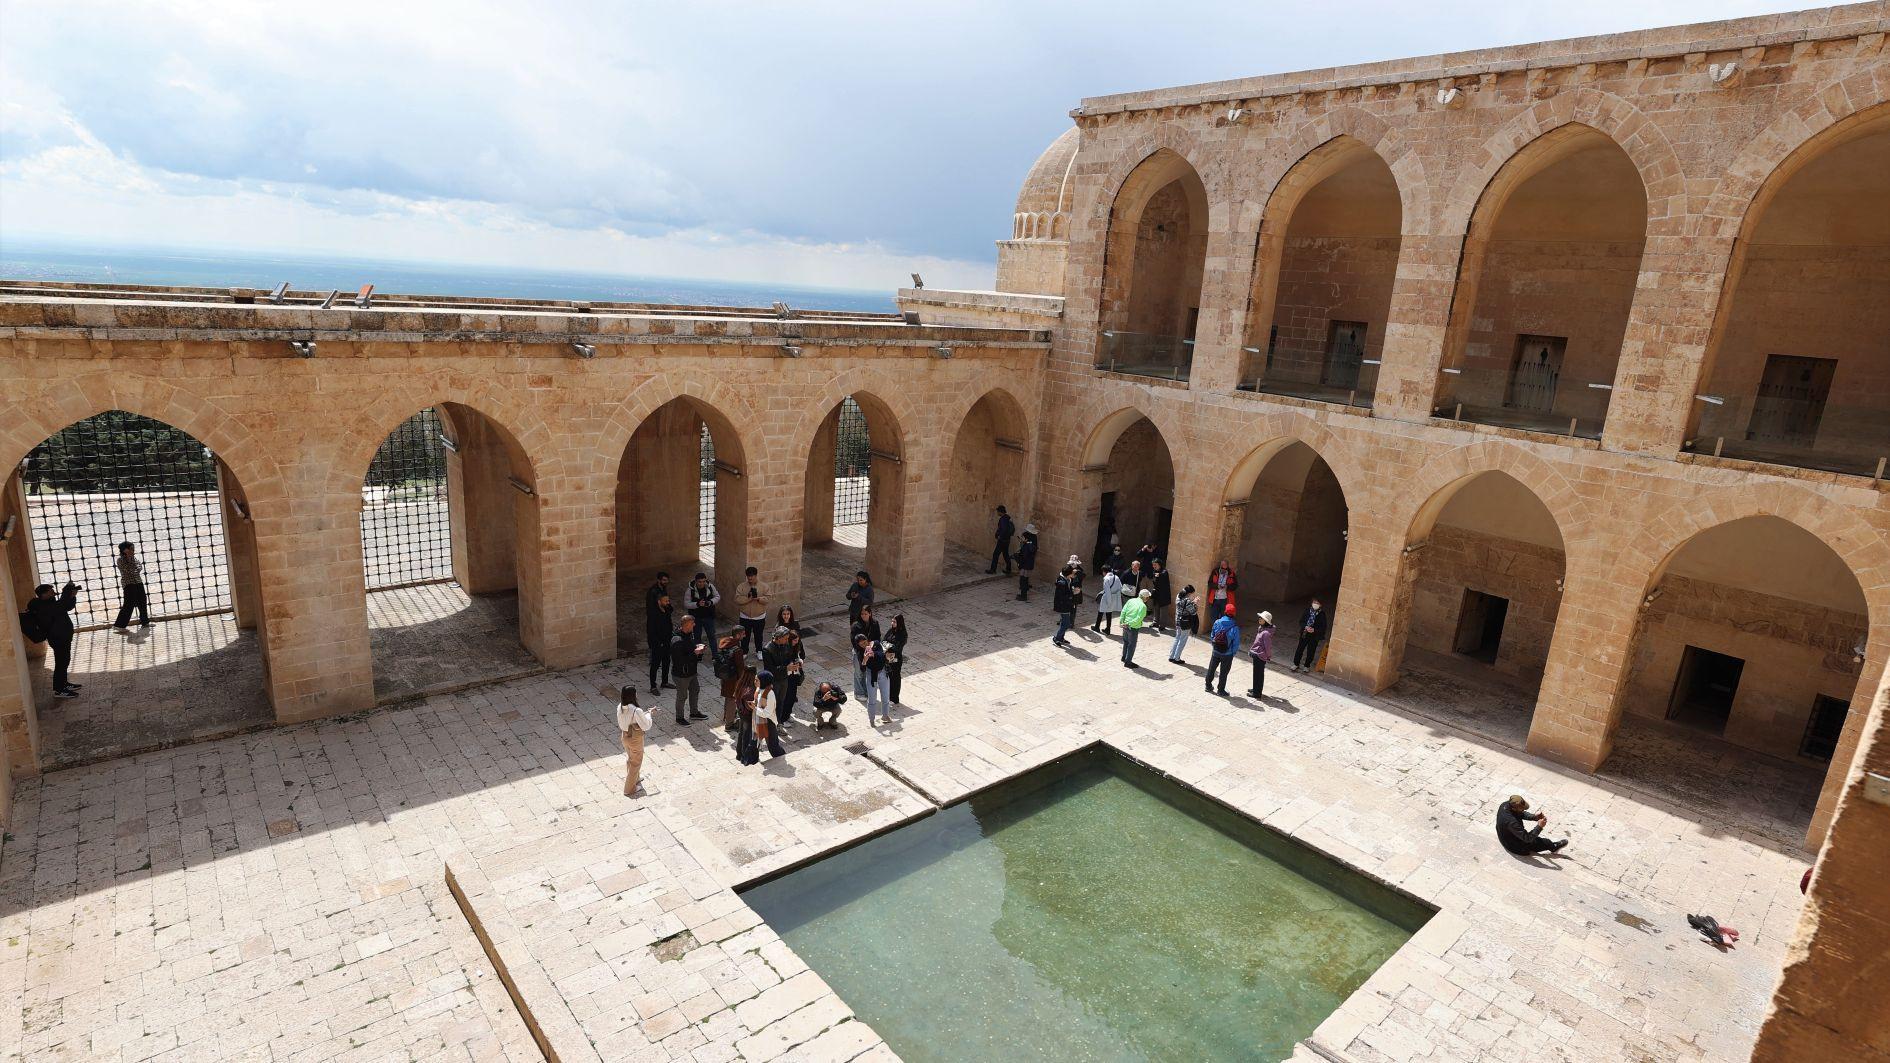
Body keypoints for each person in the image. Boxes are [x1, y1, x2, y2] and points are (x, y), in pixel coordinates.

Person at [27, 583, 82, 699]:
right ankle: (59, 690)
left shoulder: (50, 603)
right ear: (43, 594)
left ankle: (64, 684)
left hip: (63, 637)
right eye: (50, 590)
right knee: (61, 663)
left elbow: (67, 606)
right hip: (57, 638)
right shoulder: (42, 607)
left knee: (65, 660)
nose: (53, 592)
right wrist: (67, 593)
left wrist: (72, 596)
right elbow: (61, 606)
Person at [669, 615, 709, 724]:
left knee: (695, 690)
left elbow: (689, 647)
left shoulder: (689, 634)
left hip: (692, 671)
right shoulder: (677, 639)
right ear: (686, 625)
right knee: (682, 696)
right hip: (681, 674)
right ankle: (679, 717)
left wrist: (697, 647)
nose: (694, 625)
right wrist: (694, 652)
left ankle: (694, 713)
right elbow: (679, 659)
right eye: (692, 623)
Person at [1496, 795, 1567, 855]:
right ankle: (1553, 847)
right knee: (1542, 841)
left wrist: (1534, 817)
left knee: (1534, 839)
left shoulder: (1505, 805)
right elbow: (1527, 838)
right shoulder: (1511, 822)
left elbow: (1521, 813)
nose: (1523, 810)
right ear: (1514, 808)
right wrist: (1539, 826)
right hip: (1514, 846)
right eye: (1521, 809)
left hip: (1504, 836)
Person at [615, 686, 652, 796]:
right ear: (633, 695)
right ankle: (629, 789)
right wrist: (649, 714)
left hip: (624, 736)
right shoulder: (637, 710)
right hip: (634, 738)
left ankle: (635, 778)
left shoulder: (620, 707)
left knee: (631, 758)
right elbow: (646, 725)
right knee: (636, 762)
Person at [718, 633, 751, 733]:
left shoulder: (724, 643)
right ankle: (729, 725)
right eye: (743, 633)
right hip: (734, 679)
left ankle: (726, 717)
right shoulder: (737, 650)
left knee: (728, 698)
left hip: (725, 676)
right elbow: (740, 667)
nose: (744, 635)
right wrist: (743, 680)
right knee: (732, 700)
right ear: (738, 635)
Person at [112, 541, 149, 631]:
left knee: (142, 601)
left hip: (138, 581)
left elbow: (139, 566)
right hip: (128, 584)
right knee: (128, 604)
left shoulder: (133, 558)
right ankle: (119, 625)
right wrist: (135, 570)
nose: (133, 550)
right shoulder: (120, 560)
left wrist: (135, 569)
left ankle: (145, 622)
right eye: (131, 549)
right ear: (125, 550)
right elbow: (127, 570)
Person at [1206, 604, 1240, 696]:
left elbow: (1212, 635)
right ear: (1234, 614)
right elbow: (1236, 643)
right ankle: (1221, 690)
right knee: (1224, 673)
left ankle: (1208, 686)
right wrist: (1232, 653)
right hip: (1227, 654)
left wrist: (1214, 645)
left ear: (1225, 611)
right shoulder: (1235, 627)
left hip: (1216, 651)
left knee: (1211, 669)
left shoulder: (1217, 622)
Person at [646, 589, 674, 694]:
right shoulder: (653, 614)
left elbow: (671, 610)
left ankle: (665, 682)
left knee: (666, 662)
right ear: (659, 601)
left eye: (668, 601)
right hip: (658, 644)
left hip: (667, 641)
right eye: (666, 601)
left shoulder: (666, 609)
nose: (668, 603)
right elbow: (651, 631)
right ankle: (653, 686)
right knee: (655, 665)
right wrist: (657, 643)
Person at [1293, 598, 1329, 673]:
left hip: (1314, 636)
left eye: (1317, 603)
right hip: (1305, 633)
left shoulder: (1322, 614)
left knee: (1311, 651)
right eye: (1314, 602)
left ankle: (1307, 666)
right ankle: (1296, 664)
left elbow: (1323, 627)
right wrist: (1305, 627)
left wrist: (1314, 630)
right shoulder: (1307, 611)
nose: (1315, 604)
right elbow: (1301, 621)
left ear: (1320, 605)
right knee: (1300, 649)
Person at [686, 572, 721, 647]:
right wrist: (697, 604)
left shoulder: (710, 587)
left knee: (712, 636)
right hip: (696, 618)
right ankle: (698, 657)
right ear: (696, 581)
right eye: (699, 582)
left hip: (709, 616)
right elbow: (686, 604)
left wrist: (710, 602)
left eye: (703, 581)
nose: (702, 584)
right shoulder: (690, 590)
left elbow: (717, 597)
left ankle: (715, 656)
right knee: (697, 637)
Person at [737, 566, 768, 650]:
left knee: (758, 635)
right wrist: (749, 599)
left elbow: (768, 599)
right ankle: (744, 651)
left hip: (759, 616)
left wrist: (758, 599)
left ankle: (759, 651)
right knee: (744, 635)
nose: (750, 578)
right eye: (748, 576)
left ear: (756, 575)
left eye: (752, 575)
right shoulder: (741, 586)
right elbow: (737, 599)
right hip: (745, 616)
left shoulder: (764, 586)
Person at [1119, 589, 1151, 668]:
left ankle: (1124, 657)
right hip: (1132, 627)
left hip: (1125, 625)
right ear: (1146, 598)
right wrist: (1129, 624)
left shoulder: (1131, 600)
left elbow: (1123, 611)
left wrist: (1122, 622)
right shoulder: (1143, 606)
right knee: (1131, 645)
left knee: (1126, 642)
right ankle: (1128, 662)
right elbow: (1138, 619)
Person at [1247, 611, 1275, 698]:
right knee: (1256, 674)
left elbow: (1268, 647)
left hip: (1260, 656)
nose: (1259, 619)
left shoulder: (1266, 633)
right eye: (1259, 617)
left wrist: (1268, 656)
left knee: (1259, 675)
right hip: (1257, 654)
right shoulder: (1261, 628)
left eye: (1261, 618)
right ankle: (1255, 689)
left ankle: (1257, 693)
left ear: (1266, 621)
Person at [1169, 584, 1198, 663]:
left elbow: (1183, 607)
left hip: (1178, 621)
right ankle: (1177, 658)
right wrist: (1195, 603)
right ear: (1189, 593)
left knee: (1177, 638)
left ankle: (1171, 656)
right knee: (1182, 640)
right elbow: (1193, 612)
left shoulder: (1178, 596)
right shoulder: (1187, 601)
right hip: (1185, 623)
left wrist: (1192, 602)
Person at [886, 614, 910, 704]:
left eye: (894, 622)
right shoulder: (891, 631)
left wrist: (888, 646)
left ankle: (894, 698)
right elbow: (884, 640)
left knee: (895, 677)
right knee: (889, 676)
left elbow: (897, 647)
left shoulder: (903, 634)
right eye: (892, 621)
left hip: (896, 658)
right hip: (888, 656)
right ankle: (888, 695)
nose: (892, 623)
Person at [1052, 565, 1077, 647]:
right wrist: (1073, 593)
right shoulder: (1062, 583)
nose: (1073, 574)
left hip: (1065, 604)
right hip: (1063, 605)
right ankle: (1057, 638)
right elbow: (1063, 595)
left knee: (1064, 622)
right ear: (1067, 574)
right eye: (1071, 573)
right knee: (1066, 623)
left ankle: (1061, 637)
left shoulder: (1066, 579)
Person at [1092, 566, 1122, 634]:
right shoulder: (1116, 577)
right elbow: (1120, 587)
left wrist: (1109, 601)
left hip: (1107, 597)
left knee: (1100, 612)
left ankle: (1097, 627)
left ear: (1104, 572)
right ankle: (1108, 629)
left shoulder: (1106, 579)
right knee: (1109, 613)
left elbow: (1107, 591)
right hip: (1114, 596)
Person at [1015, 525, 1039, 601]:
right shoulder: (1033, 540)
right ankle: (1023, 593)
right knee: (1024, 577)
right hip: (1029, 561)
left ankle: (1023, 595)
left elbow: (1025, 554)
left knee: (1023, 578)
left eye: (1023, 538)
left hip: (1025, 562)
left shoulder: (1028, 545)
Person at [989, 505, 1015, 574]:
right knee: (1005, 554)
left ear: (1000, 512)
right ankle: (1008, 569)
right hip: (1007, 540)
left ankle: (993, 570)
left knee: (995, 554)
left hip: (1002, 540)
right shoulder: (1007, 518)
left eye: (998, 511)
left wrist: (1000, 536)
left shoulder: (1003, 519)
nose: (997, 513)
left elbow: (1003, 529)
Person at [1149, 559, 1172, 634]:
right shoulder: (1154, 571)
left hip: (1163, 595)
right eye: (1153, 565)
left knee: (1163, 610)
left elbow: (1163, 575)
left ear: (1159, 564)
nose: (1154, 566)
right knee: (1156, 608)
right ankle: (1155, 622)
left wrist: (1159, 575)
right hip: (1157, 594)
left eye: (1155, 565)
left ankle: (1162, 625)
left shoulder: (1164, 572)